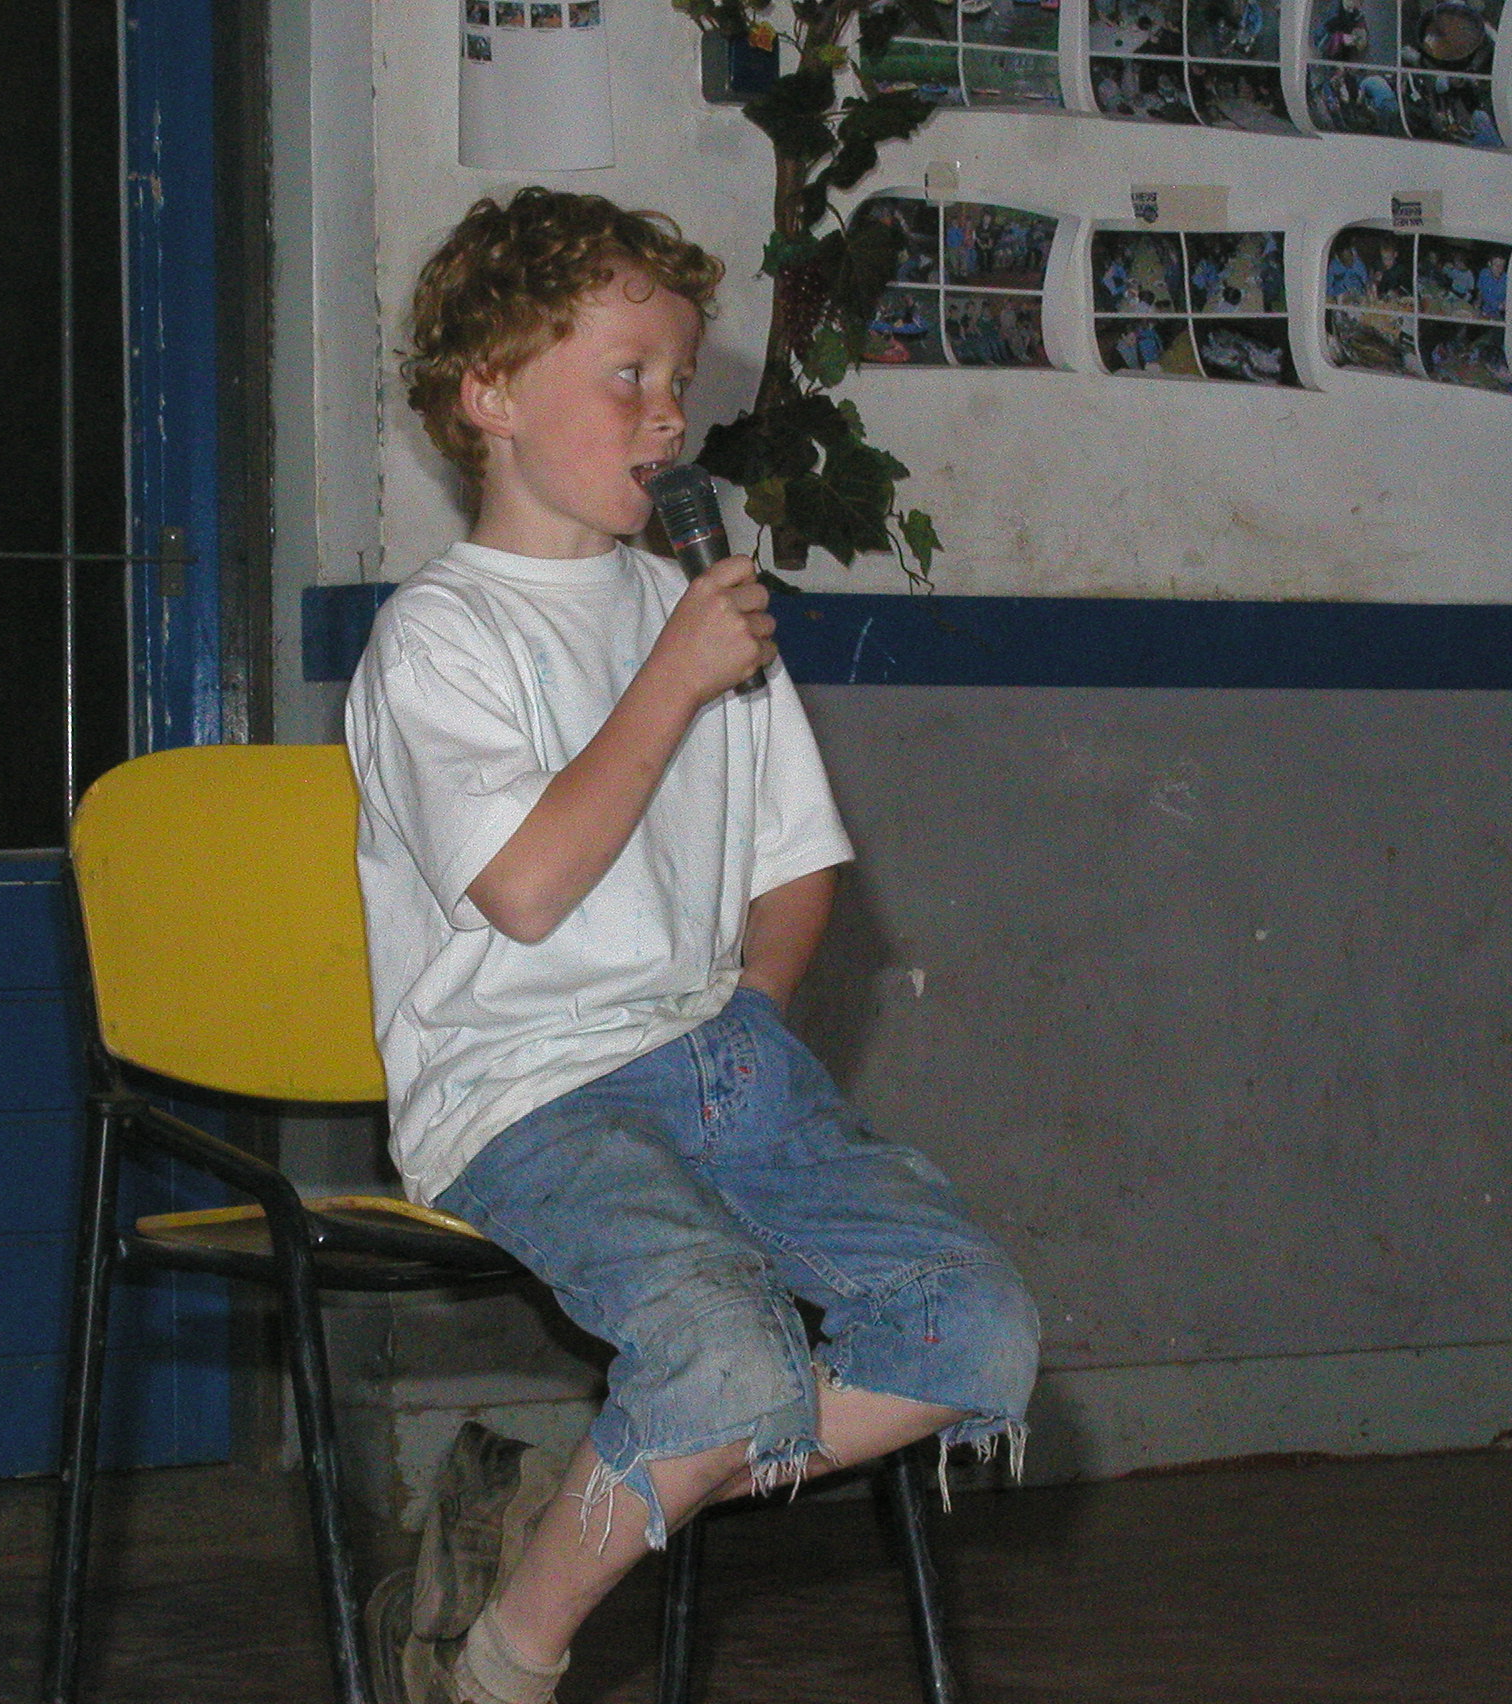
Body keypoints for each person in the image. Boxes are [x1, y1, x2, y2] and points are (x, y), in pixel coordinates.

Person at [345, 187, 1038, 1704]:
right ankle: (498, 1666)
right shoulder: (442, 638)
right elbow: (527, 891)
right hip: (523, 1090)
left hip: (712, 1055)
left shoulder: (687, 612)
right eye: (628, 376)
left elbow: (798, 870)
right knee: (724, 1359)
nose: (668, 417)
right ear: (489, 394)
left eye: (678, 378)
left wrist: (752, 1025)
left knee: (973, 1329)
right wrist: (670, 677)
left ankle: (577, 1508)